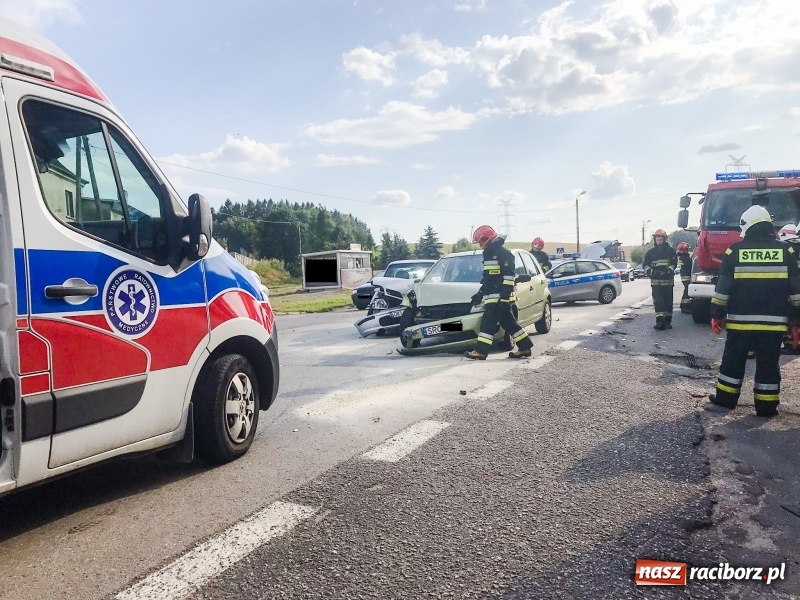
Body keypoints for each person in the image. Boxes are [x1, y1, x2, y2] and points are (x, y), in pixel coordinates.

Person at [708, 206, 800, 417]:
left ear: (746, 225)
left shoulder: (734, 251)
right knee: (768, 364)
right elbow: (796, 292)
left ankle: (725, 400)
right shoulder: (787, 252)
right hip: (774, 324)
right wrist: (796, 321)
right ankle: (767, 407)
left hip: (741, 323)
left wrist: (716, 314)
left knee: (733, 361)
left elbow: (723, 290)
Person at [465, 225, 534, 360]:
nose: (479, 245)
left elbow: (508, 278)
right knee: (508, 322)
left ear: (486, 239)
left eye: (480, 242)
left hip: (499, 297)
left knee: (487, 322)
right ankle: (525, 346)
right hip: (493, 297)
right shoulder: (489, 253)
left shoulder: (503, 253)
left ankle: (481, 351)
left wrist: (504, 298)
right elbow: (489, 279)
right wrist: (480, 293)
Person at [643, 229, 678, 330]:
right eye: (657, 239)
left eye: (660, 239)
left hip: (668, 282)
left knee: (668, 302)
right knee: (658, 302)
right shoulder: (650, 253)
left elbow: (674, 264)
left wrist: (668, 271)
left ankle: (667, 321)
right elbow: (645, 265)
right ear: (655, 239)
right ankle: (659, 322)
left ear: (664, 239)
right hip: (655, 282)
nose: (659, 241)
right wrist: (652, 272)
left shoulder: (670, 251)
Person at [677, 242, 692, 314]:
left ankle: (683, 305)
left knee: (686, 290)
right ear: (682, 250)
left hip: (685, 276)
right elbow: (689, 265)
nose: (687, 251)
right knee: (687, 291)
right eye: (686, 250)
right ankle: (686, 307)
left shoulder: (682, 257)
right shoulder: (684, 257)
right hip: (686, 276)